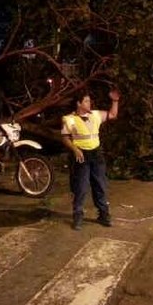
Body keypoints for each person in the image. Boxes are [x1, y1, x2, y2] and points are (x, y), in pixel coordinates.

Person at [61, 87, 120, 231]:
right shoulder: (69, 119)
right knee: (80, 187)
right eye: (86, 101)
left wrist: (115, 101)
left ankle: (104, 214)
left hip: (96, 154)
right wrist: (75, 149)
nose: (89, 104)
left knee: (100, 185)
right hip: (81, 156)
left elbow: (112, 114)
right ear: (78, 103)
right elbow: (65, 138)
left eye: (89, 101)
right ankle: (78, 216)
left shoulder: (95, 115)